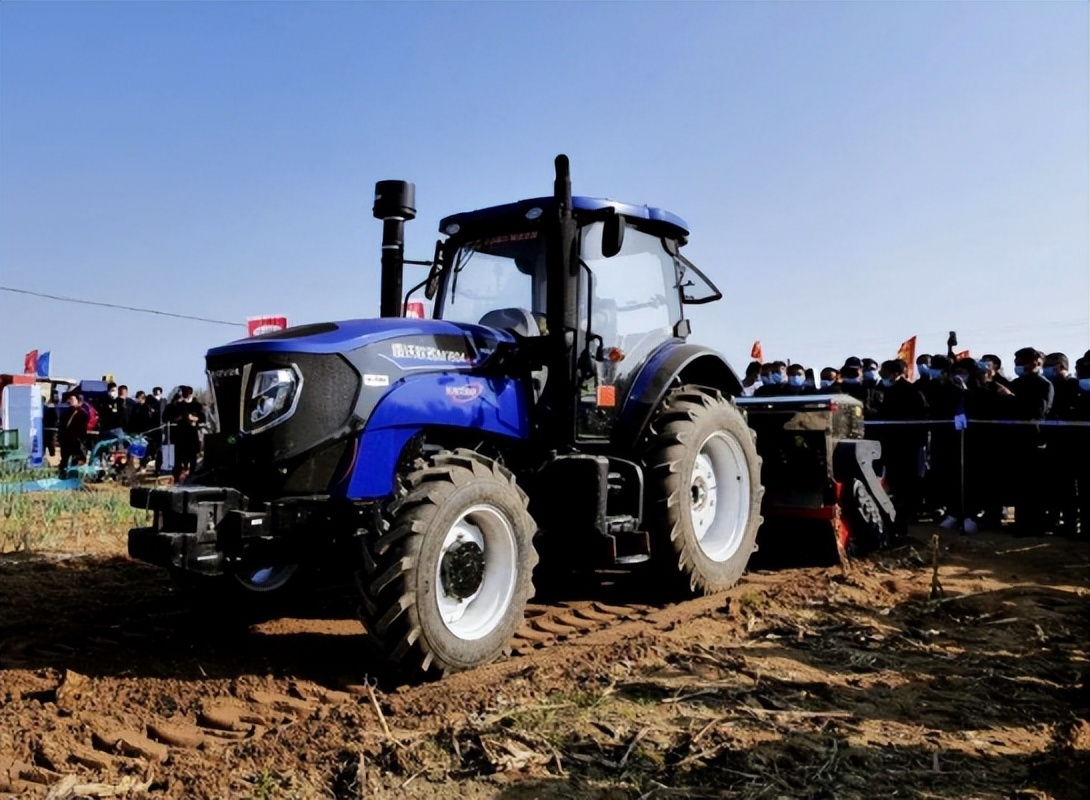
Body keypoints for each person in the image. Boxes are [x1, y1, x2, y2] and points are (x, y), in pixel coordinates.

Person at [874, 359, 928, 532]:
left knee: (908, 479)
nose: (881, 375)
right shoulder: (884, 390)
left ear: (894, 373)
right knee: (895, 478)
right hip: (890, 442)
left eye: (884, 371)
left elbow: (921, 415)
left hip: (907, 443)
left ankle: (908, 513)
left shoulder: (910, 391)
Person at [1009, 347, 1054, 536]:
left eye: (1021, 362)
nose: (1018, 366)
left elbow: (1038, 410)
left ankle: (1035, 525)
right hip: (1017, 440)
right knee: (1020, 485)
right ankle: (1021, 522)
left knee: (1034, 486)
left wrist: (1011, 398)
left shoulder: (1044, 385)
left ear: (1034, 362)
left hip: (1034, 440)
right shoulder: (1017, 383)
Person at [164, 385, 205, 481]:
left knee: (192, 456)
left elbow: (203, 418)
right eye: (183, 393)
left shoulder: (197, 405)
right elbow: (167, 417)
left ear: (190, 393)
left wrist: (195, 419)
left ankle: (192, 473)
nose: (184, 395)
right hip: (181, 433)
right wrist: (178, 418)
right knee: (179, 456)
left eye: (186, 393)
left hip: (192, 433)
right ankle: (177, 475)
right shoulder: (178, 405)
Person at [57, 391, 89, 478]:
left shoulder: (83, 414)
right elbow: (61, 426)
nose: (70, 401)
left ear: (78, 401)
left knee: (76, 460)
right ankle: (62, 475)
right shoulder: (66, 413)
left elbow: (82, 429)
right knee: (64, 459)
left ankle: (74, 476)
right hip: (65, 440)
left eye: (72, 399)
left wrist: (80, 440)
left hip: (76, 441)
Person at [98, 382, 128, 447]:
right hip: (106, 428)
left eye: (114, 390)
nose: (113, 392)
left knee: (120, 445)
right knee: (101, 446)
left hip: (117, 428)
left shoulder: (120, 401)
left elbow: (123, 415)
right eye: (111, 390)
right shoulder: (104, 401)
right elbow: (102, 414)